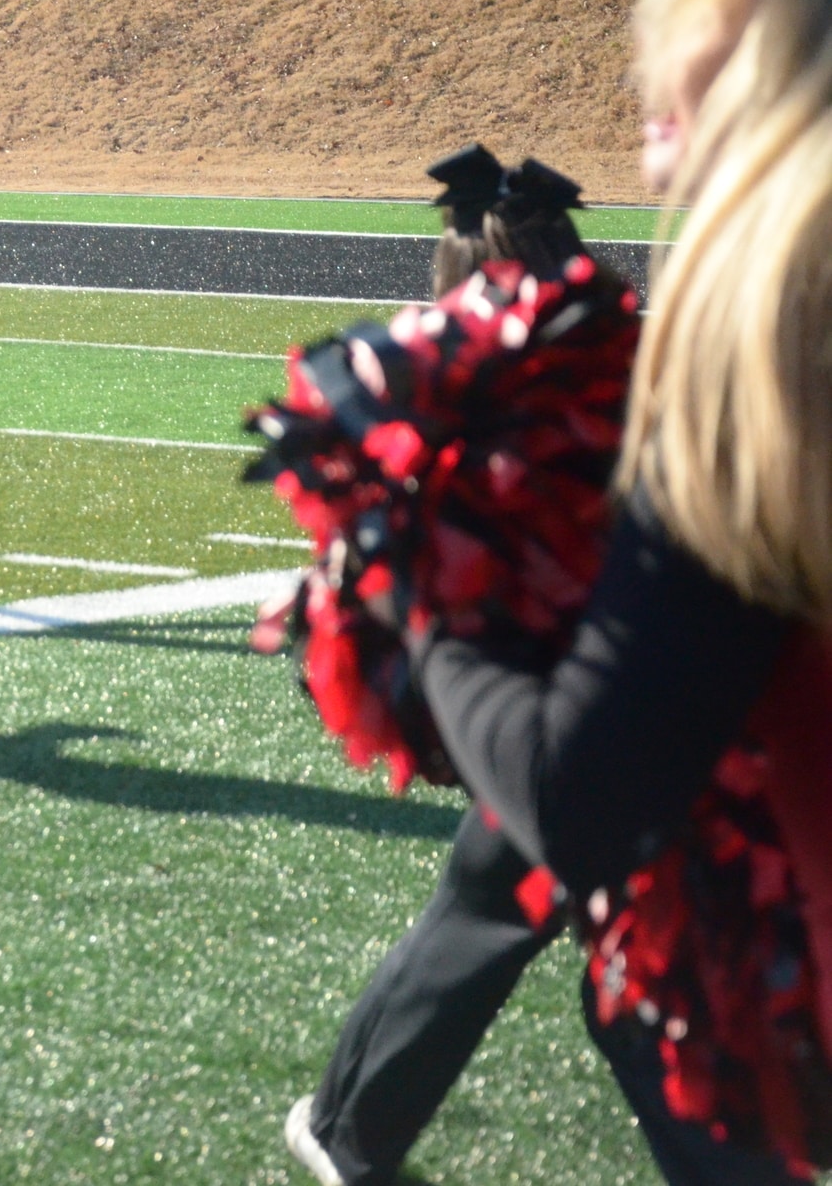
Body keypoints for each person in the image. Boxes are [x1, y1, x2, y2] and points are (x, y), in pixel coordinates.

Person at [413, 0, 832, 1185]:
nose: (647, 139)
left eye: (674, 94)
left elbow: (583, 802)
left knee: (669, 1000)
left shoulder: (766, 360)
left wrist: (425, 593)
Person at [270, 147, 621, 1186]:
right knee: (496, 900)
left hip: (619, 722)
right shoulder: (651, 365)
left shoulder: (442, 418)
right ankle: (345, 1131)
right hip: (682, 705)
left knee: (520, 917)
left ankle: (347, 1132)